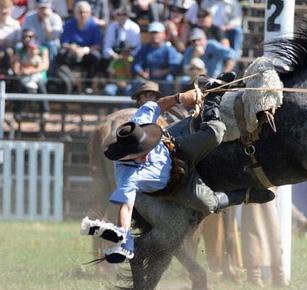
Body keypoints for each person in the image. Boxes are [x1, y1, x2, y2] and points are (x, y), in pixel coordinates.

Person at [81, 73, 275, 263]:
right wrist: (122, 232)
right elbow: (125, 206)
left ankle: (213, 98)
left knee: (216, 134)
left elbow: (157, 106)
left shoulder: (139, 120)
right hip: (177, 185)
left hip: (175, 149)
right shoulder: (127, 176)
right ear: (128, 156)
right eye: (140, 153)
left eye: (145, 148)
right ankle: (246, 195)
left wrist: (180, 97)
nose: (144, 154)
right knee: (209, 204)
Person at [58, 0, 102, 92]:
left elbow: (97, 45)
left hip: (87, 53)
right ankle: (69, 82)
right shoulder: (69, 24)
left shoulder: (94, 26)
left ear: (89, 13)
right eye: (80, 12)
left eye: (85, 12)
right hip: (72, 53)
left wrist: (85, 49)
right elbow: (64, 43)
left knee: (96, 56)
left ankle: (88, 85)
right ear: (75, 13)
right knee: (61, 55)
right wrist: (73, 48)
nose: (83, 15)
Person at [0, 0, 21, 79]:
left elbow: (18, 42)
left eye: (6, 8)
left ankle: (13, 74)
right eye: (1, 7)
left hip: (10, 51)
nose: (3, 10)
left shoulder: (15, 24)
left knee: (12, 52)